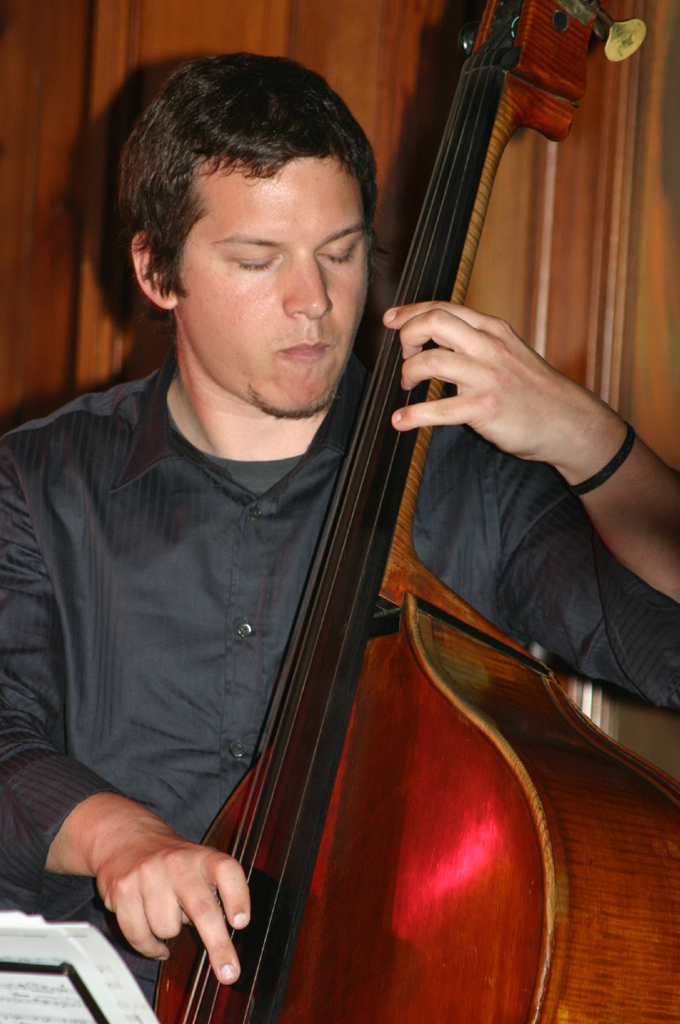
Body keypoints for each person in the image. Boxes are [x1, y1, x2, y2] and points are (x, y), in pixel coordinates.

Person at [0, 53, 679, 1004]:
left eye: (342, 251)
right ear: (156, 270)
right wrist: (119, 836)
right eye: (257, 260)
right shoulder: (39, 484)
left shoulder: (469, 481)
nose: (313, 301)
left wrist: (591, 442)